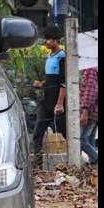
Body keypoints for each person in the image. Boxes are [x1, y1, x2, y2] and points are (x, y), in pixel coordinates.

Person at [31, 27, 67, 167]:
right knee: (38, 132)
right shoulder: (49, 57)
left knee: (65, 132)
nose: (45, 42)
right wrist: (41, 83)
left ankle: (79, 158)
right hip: (46, 101)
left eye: (48, 39)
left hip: (56, 102)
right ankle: (38, 162)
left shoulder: (62, 57)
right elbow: (51, 79)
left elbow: (63, 82)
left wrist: (60, 103)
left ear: (55, 41)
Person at [80, 66, 98, 165]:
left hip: (91, 111)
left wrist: (85, 110)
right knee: (90, 140)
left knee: (81, 140)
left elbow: (90, 92)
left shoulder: (90, 69)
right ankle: (94, 165)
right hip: (95, 111)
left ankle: (95, 158)